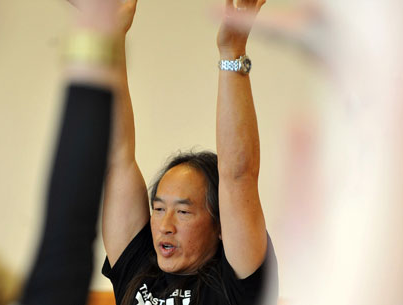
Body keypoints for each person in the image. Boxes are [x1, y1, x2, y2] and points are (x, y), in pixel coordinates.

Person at [100, 0, 277, 304]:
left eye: (183, 212)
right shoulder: (138, 267)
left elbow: (239, 176)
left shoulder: (234, 286)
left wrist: (232, 50)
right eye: (158, 209)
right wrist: (111, 36)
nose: (165, 226)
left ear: (220, 225)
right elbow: (118, 158)